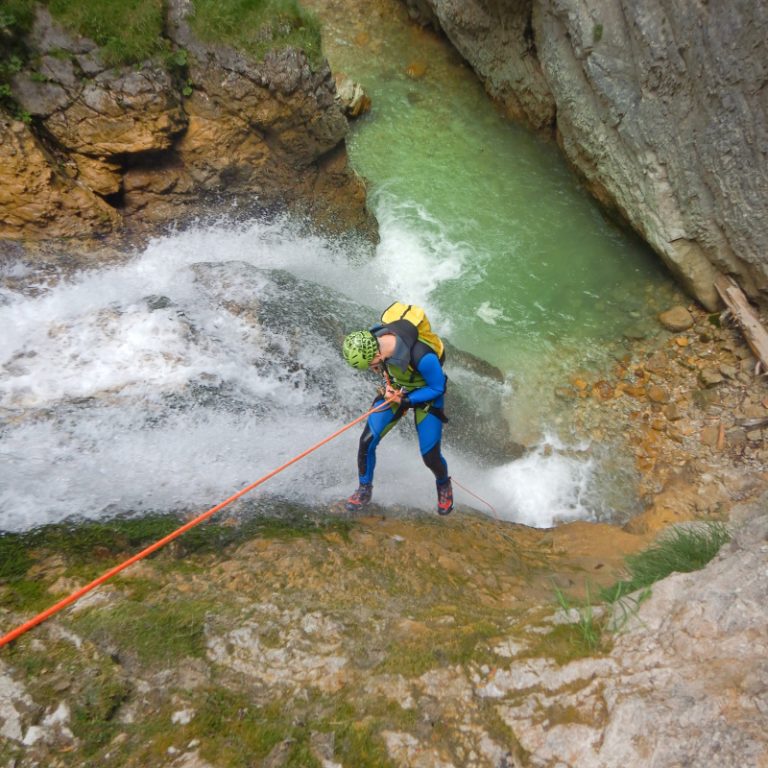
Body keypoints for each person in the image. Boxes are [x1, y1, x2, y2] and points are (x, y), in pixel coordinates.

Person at [342, 311, 453, 515]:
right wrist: (388, 388)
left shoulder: (422, 355)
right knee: (366, 441)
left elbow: (438, 387)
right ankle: (364, 489)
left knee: (430, 456)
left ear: (377, 355)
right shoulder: (375, 340)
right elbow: (384, 368)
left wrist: (406, 401)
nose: (372, 368)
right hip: (396, 390)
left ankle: (443, 484)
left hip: (426, 396)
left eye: (371, 364)